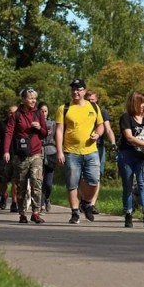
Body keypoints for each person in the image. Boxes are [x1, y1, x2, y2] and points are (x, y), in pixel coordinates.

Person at [55, 78, 104, 224]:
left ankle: (86, 203)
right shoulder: (64, 108)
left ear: (84, 91)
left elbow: (100, 125)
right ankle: (75, 212)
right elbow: (59, 130)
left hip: (91, 151)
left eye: (79, 89)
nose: (75, 92)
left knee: (94, 180)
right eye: (73, 89)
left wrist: (98, 134)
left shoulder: (93, 107)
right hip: (71, 152)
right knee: (72, 183)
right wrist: (59, 151)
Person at [3, 88, 48, 224]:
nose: (33, 100)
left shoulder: (39, 114)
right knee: (21, 185)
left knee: (36, 182)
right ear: (23, 99)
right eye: (30, 98)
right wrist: (6, 151)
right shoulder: (16, 115)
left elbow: (45, 133)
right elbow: (9, 133)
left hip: (36, 153)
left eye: (35, 98)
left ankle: (35, 212)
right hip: (20, 155)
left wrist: (40, 128)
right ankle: (22, 213)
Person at [118, 90, 144, 228]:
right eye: (140, 102)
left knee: (143, 185)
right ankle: (128, 214)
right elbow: (129, 137)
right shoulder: (126, 118)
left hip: (142, 157)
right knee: (128, 186)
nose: (143, 105)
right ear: (134, 103)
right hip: (127, 156)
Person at [83, 89, 116, 214]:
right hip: (83, 147)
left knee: (96, 177)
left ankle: (91, 204)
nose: (91, 102)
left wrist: (113, 143)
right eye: (88, 100)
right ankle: (84, 200)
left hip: (98, 148)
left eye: (93, 100)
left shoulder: (101, 112)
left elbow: (108, 129)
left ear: (96, 100)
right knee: (83, 177)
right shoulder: (81, 112)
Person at [0, 105, 19, 211]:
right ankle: (4, 195)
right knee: (1, 180)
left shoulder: (21, 124)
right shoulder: (2, 124)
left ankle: (14, 202)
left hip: (17, 155)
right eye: (10, 112)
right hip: (4, 156)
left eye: (14, 113)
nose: (12, 114)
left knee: (15, 180)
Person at [38, 101, 56, 213]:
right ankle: (40, 203)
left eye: (45, 111)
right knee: (38, 179)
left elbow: (58, 137)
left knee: (48, 183)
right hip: (38, 151)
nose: (44, 113)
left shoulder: (53, 124)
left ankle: (47, 198)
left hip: (50, 152)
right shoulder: (34, 123)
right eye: (41, 111)